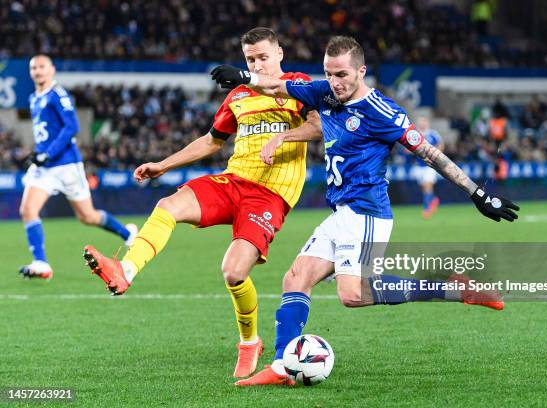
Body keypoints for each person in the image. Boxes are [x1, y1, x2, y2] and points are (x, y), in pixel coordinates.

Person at [211, 35, 520, 386]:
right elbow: (278, 85)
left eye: (341, 74)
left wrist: (477, 193)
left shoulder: (382, 112)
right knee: (295, 279)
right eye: (329, 74)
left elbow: (430, 155)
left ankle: (451, 287)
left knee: (352, 295)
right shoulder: (322, 93)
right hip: (341, 212)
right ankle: (283, 366)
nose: (335, 83)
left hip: (367, 212)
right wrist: (244, 76)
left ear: (361, 71)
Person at [81, 27, 322, 378]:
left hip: (270, 195)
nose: (257, 64)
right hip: (233, 181)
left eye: (263, 57)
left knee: (234, 272)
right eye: (250, 59)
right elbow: (212, 142)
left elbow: (318, 128)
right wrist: (163, 164)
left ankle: (249, 341)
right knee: (168, 205)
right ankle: (125, 271)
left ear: (280, 54)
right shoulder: (239, 95)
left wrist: (284, 136)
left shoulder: (298, 84)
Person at [19, 55, 137, 280]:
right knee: (27, 209)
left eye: (42, 67)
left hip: (66, 165)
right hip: (44, 167)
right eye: (33, 68)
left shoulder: (58, 94)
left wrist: (48, 153)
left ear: (52, 70)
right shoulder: (34, 98)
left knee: (88, 216)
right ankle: (41, 263)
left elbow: (71, 126)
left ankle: (127, 233)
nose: (37, 71)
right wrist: (37, 154)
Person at [413, 117, 444, 219]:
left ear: (427, 123)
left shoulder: (433, 134)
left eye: (424, 121)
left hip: (429, 166)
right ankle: (434, 200)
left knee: (427, 187)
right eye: (421, 122)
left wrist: (435, 154)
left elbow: (440, 145)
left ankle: (426, 209)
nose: (422, 124)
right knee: (423, 188)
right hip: (418, 166)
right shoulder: (415, 134)